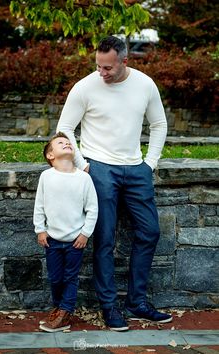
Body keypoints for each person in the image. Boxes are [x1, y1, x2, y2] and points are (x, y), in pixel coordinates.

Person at [56, 35, 172, 331]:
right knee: (104, 239)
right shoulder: (85, 87)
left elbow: (159, 124)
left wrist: (150, 163)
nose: (102, 73)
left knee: (150, 231)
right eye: (98, 66)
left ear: (124, 61)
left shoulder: (145, 84)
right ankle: (109, 307)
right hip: (100, 169)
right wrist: (83, 165)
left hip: (136, 169)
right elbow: (65, 128)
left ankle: (137, 302)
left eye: (108, 68)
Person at [33, 132, 98, 332]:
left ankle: (65, 313)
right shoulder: (47, 176)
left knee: (70, 277)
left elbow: (92, 208)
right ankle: (58, 307)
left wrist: (85, 234)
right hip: (52, 239)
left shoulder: (83, 178)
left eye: (69, 142)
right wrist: (40, 230)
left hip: (74, 241)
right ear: (50, 155)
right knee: (55, 277)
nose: (67, 144)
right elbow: (39, 206)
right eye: (60, 143)